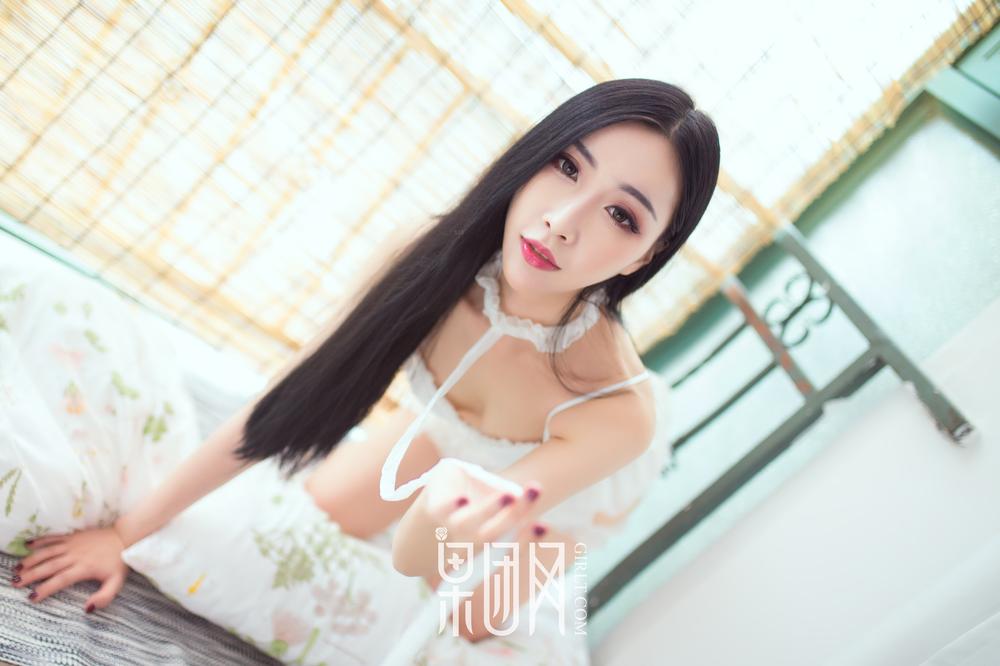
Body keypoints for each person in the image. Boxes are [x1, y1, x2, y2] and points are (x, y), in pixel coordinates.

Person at [10, 78, 720, 659]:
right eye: (566, 165)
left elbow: (429, 556)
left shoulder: (614, 413)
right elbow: (292, 405)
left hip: (558, 508)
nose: (564, 219)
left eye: (622, 217)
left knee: (465, 620)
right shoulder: (433, 262)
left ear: (646, 256)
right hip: (449, 432)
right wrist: (123, 535)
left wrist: (440, 519)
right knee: (319, 510)